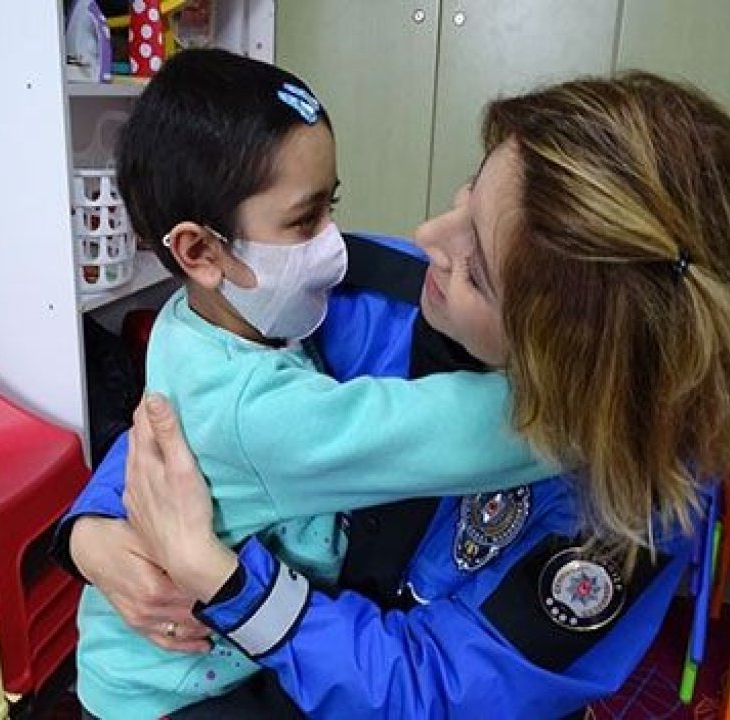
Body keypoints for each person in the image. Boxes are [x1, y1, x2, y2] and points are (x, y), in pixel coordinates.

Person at [59, 71, 730, 719]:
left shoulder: (630, 505)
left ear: (567, 367)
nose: (428, 235)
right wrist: (92, 535)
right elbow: (191, 427)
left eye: (477, 269)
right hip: (220, 669)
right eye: (469, 194)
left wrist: (225, 582)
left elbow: (433, 693)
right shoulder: (358, 290)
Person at [74, 48, 557, 719]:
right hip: (168, 691)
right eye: (306, 222)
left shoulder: (211, 316)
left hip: (243, 652)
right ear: (199, 252)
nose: (334, 248)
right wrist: (589, 401)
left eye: (332, 208)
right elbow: (435, 433)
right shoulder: (260, 399)